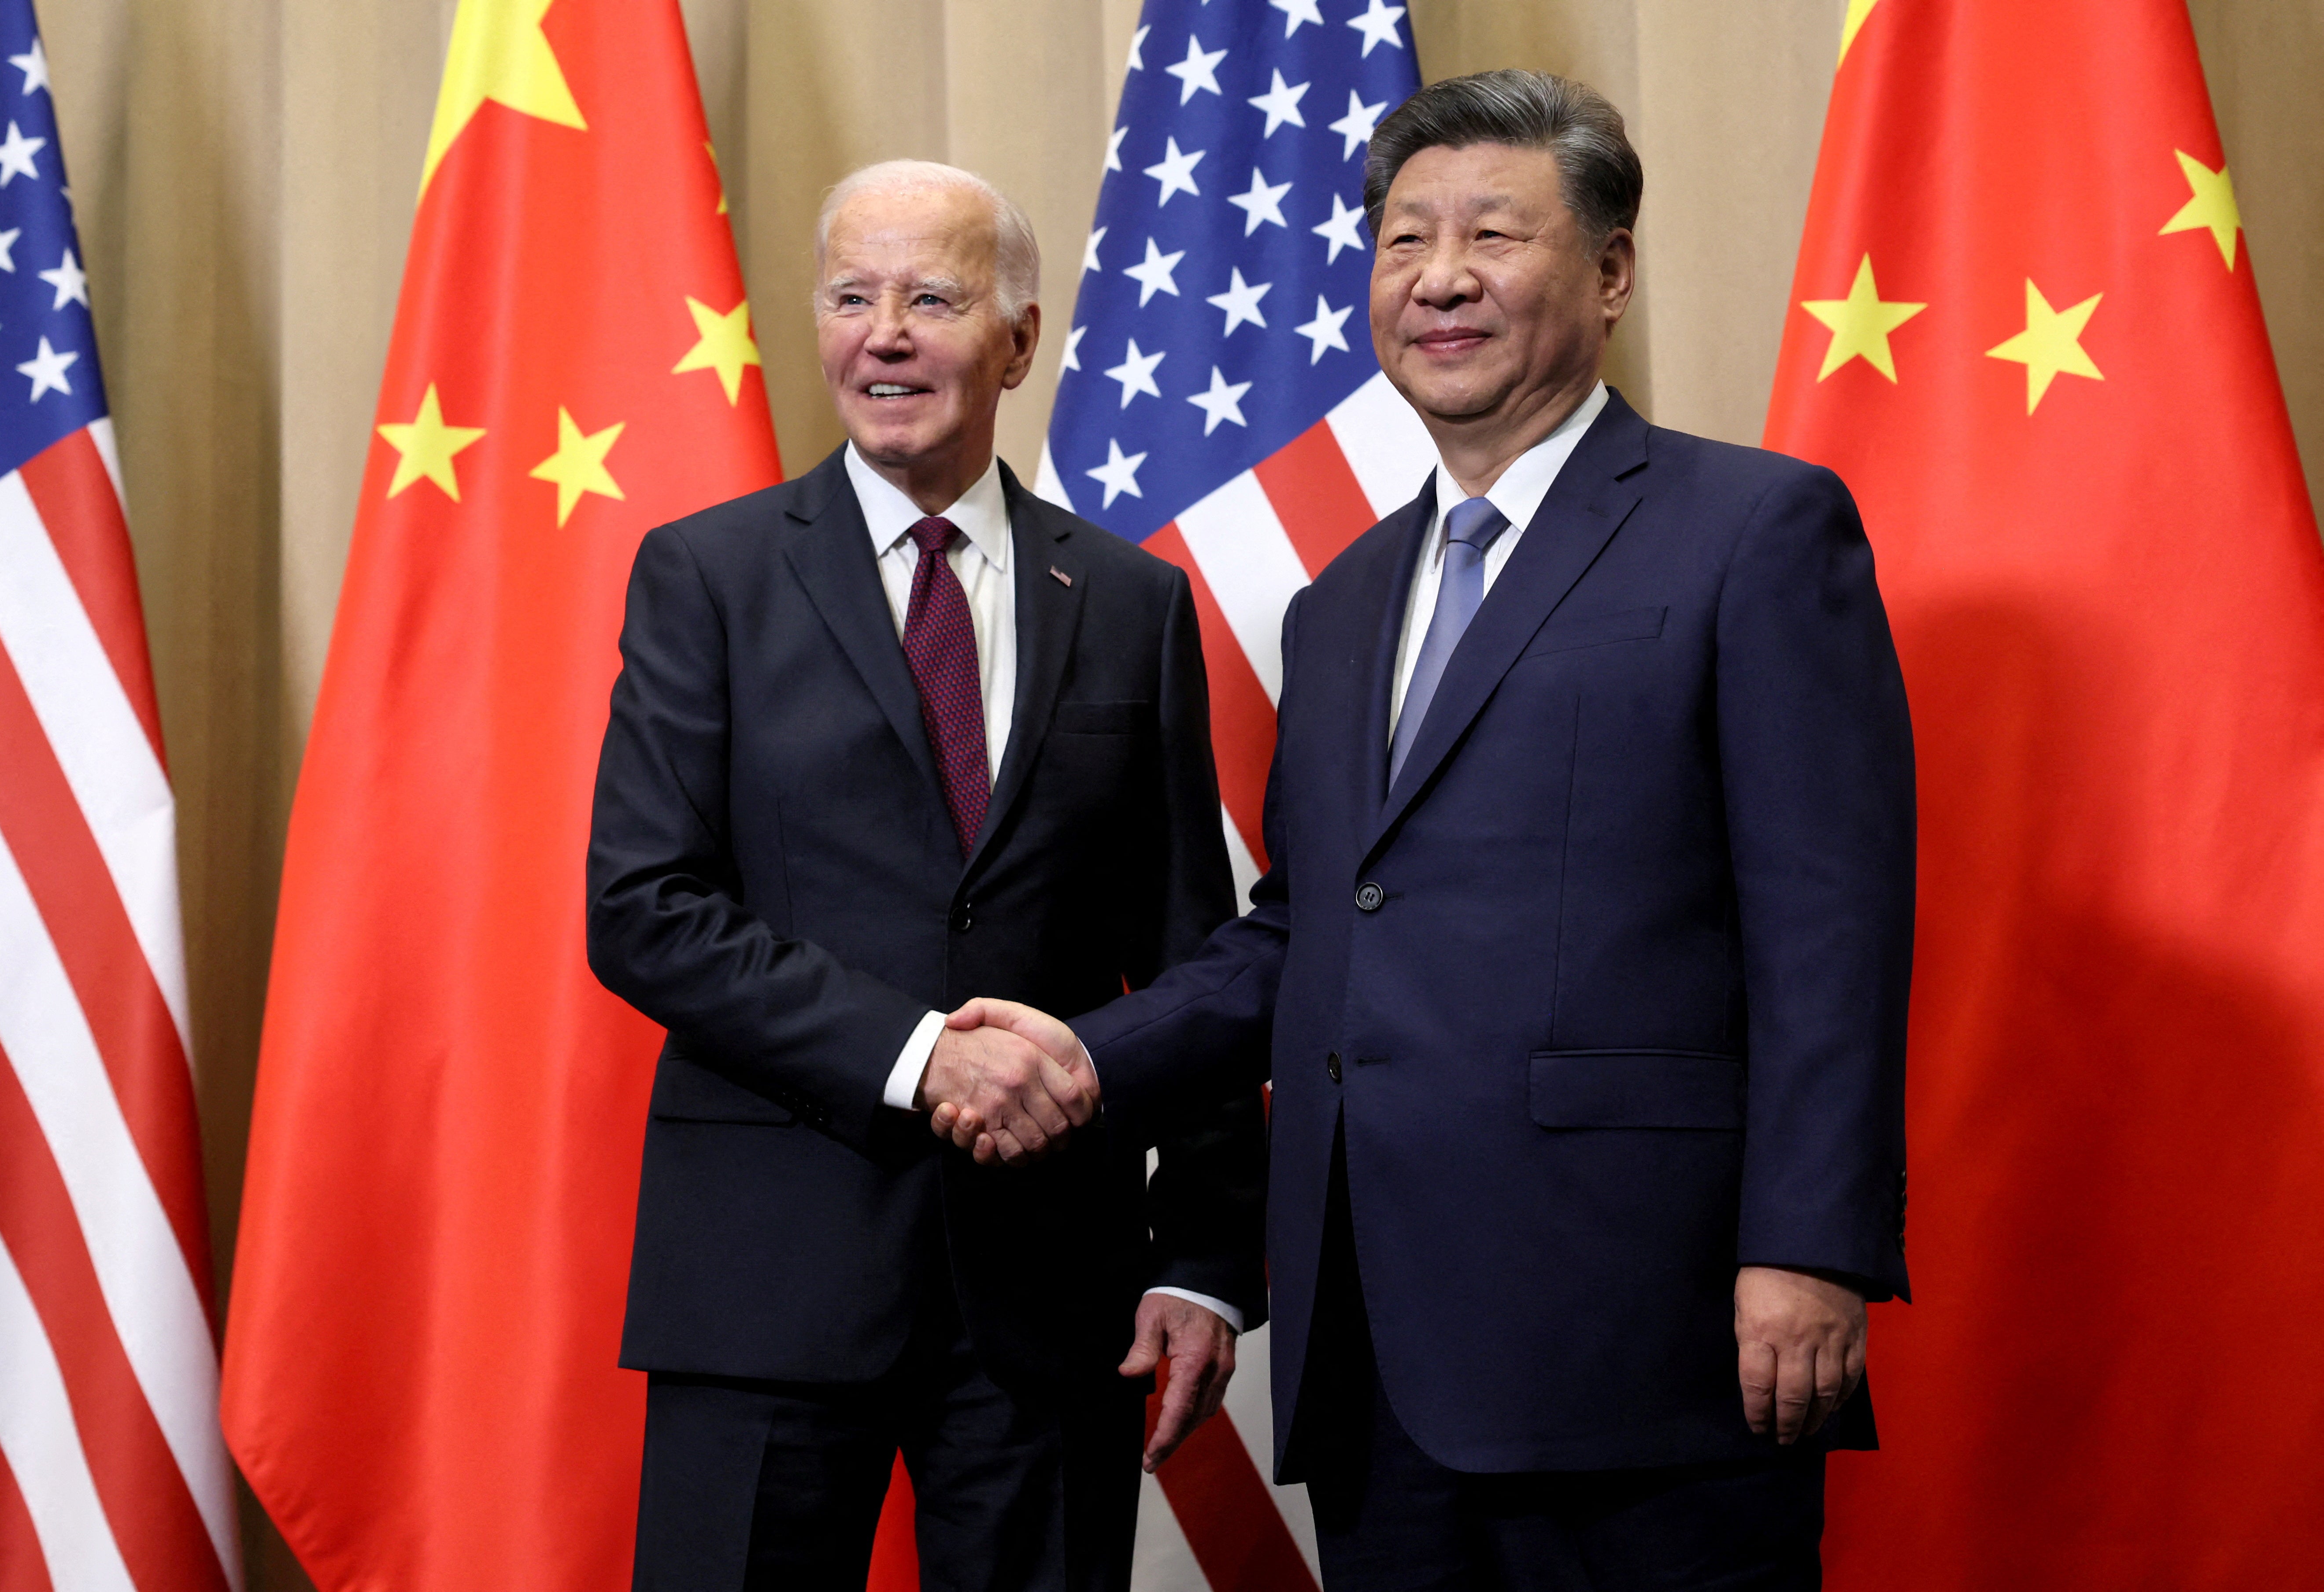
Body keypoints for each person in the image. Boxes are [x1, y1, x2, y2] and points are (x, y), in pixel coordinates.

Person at [942, 71, 1915, 1590]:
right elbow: (1309, 928)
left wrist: (1812, 1245)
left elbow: (1832, 923)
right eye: (1405, 241)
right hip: (1378, 1354)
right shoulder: (1339, 609)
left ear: (1609, 272)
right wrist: (1084, 1056)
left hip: (1646, 1339)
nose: (1440, 278)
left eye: (1492, 235)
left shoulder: (1756, 531)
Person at [585, 159, 1263, 1592]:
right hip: (766, 1281)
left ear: (1021, 340)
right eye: (850, 296)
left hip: (1047, 1297)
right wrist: (917, 1060)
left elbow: (1199, 954)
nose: (883, 333)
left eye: (932, 297)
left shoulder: (1132, 604)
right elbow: (643, 911)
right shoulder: (705, 576)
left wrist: (1202, 1253)